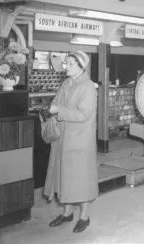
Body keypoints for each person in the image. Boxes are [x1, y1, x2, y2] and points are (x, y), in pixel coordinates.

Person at [44, 51, 98, 233]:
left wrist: (58, 110)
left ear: (81, 66)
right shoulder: (66, 83)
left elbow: (83, 114)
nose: (66, 66)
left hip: (80, 140)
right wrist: (51, 109)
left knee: (81, 178)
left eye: (70, 64)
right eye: (66, 63)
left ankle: (84, 216)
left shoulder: (88, 87)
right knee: (65, 177)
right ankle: (67, 213)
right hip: (63, 137)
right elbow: (57, 102)